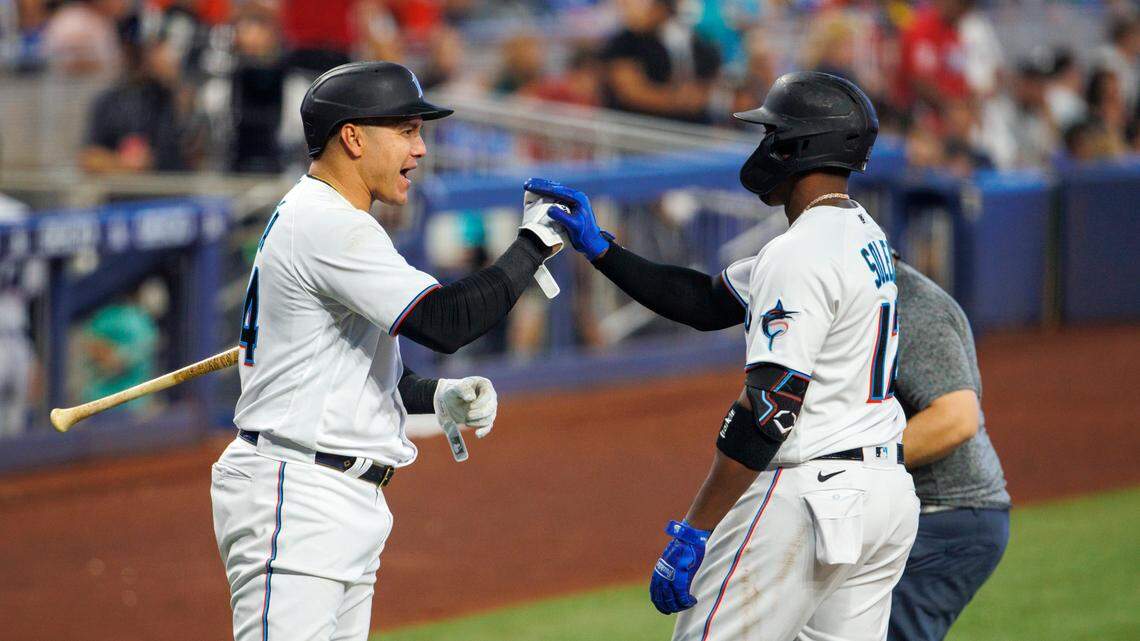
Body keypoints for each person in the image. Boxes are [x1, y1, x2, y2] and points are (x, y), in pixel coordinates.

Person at [529, 71, 919, 641]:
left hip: (812, 496)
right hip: (883, 497)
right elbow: (706, 302)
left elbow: (769, 410)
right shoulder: (862, 234)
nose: (761, 147)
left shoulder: (801, 252)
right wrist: (602, 249)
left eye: (771, 134)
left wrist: (695, 529)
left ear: (796, 147)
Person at [210, 61, 565, 641]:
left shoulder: (329, 219)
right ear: (352, 137)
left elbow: (357, 372)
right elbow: (447, 322)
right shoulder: (328, 226)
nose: (420, 149)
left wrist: (436, 396)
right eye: (405, 130)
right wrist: (531, 245)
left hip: (336, 500)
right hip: (297, 494)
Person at [887, 259, 1010, 641]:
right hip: (932, 515)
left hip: (948, 517)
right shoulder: (869, 301)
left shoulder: (912, 307)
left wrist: (859, 460)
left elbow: (955, 419)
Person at [600, 0, 721, 123]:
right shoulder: (626, 42)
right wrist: (679, 100)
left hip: (692, 128)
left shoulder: (701, 43)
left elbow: (713, 85)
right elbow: (631, 92)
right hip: (641, 127)